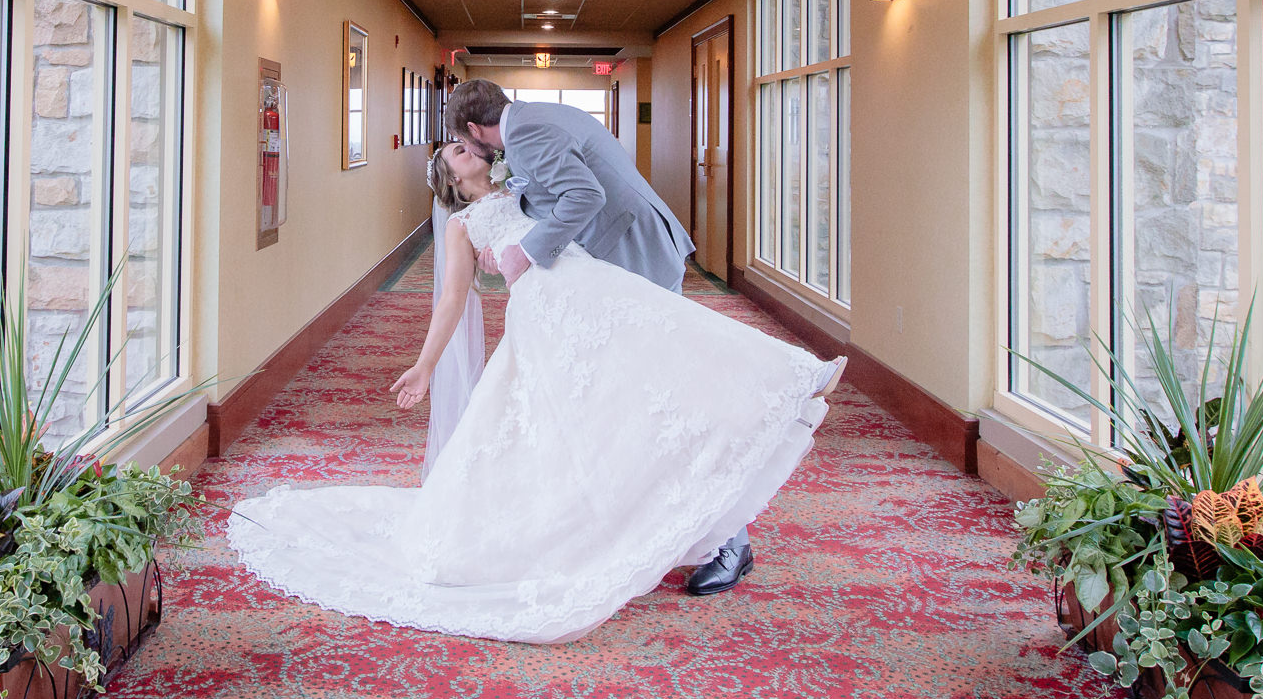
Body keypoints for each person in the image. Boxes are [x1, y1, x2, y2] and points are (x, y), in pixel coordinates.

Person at [226, 140, 846, 645]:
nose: (468, 148)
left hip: (593, 291)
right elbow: (449, 301)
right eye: (455, 151)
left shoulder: (525, 187)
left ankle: (790, 379)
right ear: (448, 177)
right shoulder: (464, 225)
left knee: (669, 348)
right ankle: (597, 528)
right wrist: (422, 366)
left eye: (469, 144)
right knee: (571, 420)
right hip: (548, 317)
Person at [446, 79, 759, 596]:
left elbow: (584, 195)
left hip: (638, 257)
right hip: (623, 258)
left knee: (667, 401)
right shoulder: (532, 118)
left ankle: (731, 538)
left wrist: (524, 252)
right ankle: (666, 527)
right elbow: (556, 193)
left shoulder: (524, 136)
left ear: (477, 130)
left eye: (465, 140)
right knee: (632, 403)